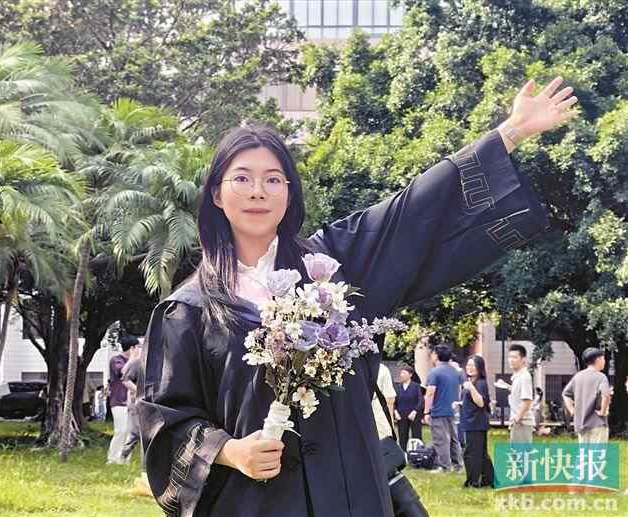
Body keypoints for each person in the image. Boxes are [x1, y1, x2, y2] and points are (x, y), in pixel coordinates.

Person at [137, 77, 577, 516]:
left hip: (350, 494)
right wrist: (230, 451)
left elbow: (412, 211)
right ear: (217, 193)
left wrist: (512, 131)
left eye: (273, 179)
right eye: (242, 178)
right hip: (253, 503)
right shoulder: (189, 310)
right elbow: (164, 418)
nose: (258, 191)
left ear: (289, 193)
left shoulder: (332, 266)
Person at [424, 344, 463, 472]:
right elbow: (459, 390)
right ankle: (457, 465)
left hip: (438, 410)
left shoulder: (434, 372)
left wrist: (426, 412)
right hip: (452, 410)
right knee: (453, 439)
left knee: (441, 439)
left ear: (436, 356)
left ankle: (444, 466)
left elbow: (430, 393)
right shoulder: (455, 371)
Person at [562, 348, 612, 443]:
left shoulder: (578, 376)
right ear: (598, 360)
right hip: (597, 423)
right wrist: (602, 411)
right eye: (603, 358)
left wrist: (572, 410)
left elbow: (566, 394)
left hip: (581, 423)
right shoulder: (601, 377)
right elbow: (606, 395)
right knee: (597, 452)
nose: (604, 361)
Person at [461, 355, 494, 488]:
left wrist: (471, 388)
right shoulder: (472, 382)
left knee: (471, 454)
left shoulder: (480, 383)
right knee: (481, 454)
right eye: (468, 365)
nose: (469, 368)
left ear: (479, 368)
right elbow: (472, 401)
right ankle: (489, 480)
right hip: (471, 422)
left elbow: (481, 402)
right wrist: (459, 403)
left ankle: (472, 481)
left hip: (476, 423)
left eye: (473, 365)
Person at [107, 335, 139, 464]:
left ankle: (124, 459)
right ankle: (112, 459)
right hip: (118, 401)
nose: (139, 350)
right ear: (132, 348)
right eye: (137, 347)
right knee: (121, 430)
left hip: (132, 402)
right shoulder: (116, 360)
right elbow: (123, 373)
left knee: (130, 432)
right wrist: (132, 359)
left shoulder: (136, 362)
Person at [501, 344, 534, 443]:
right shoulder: (517, 376)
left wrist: (517, 419)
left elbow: (527, 400)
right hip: (518, 421)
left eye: (514, 357)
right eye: (510, 357)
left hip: (522, 422)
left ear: (523, 359)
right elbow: (519, 393)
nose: (511, 360)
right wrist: (507, 386)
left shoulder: (524, 376)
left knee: (521, 452)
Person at [394, 365, 423, 452]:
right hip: (401, 415)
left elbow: (420, 400)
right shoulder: (398, 387)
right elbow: (393, 401)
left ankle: (417, 453)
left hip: (414, 415)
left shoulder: (416, 386)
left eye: (404, 373)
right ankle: (403, 454)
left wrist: (415, 411)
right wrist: (395, 412)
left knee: (416, 436)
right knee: (402, 436)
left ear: (410, 375)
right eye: (401, 373)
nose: (401, 375)